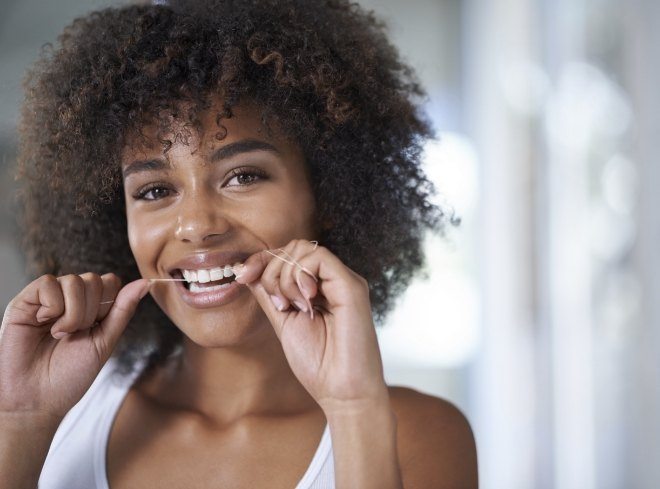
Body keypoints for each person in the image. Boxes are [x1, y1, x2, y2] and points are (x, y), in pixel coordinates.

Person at [0, 0, 478, 487]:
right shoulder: (59, 413)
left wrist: (352, 407)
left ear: (329, 193)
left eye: (243, 176)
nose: (195, 225)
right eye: (154, 191)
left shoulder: (416, 434)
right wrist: (21, 422)